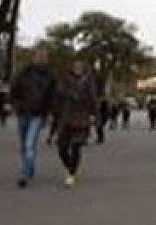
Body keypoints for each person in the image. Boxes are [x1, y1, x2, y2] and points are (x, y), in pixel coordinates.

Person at [9, 48, 57, 188]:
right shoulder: (23, 73)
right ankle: (29, 167)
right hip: (23, 112)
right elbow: (14, 90)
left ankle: (24, 172)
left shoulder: (50, 76)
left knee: (30, 142)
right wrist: (15, 104)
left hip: (38, 113)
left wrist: (50, 113)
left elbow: (53, 97)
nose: (42, 60)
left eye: (45, 57)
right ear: (33, 58)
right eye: (39, 57)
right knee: (24, 143)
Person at [54, 59, 97, 188]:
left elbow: (93, 99)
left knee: (76, 146)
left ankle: (71, 174)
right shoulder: (65, 81)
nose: (77, 69)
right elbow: (58, 97)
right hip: (66, 117)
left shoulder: (88, 82)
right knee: (61, 147)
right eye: (75, 67)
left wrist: (95, 115)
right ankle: (69, 166)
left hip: (81, 117)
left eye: (80, 67)